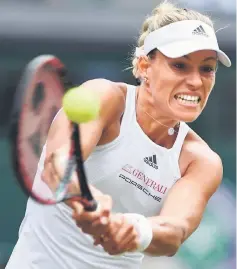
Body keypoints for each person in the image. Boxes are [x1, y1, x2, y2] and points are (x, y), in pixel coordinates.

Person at [6, 2, 231, 269]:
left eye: (207, 68)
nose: (196, 81)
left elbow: (175, 231)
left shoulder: (202, 161)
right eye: (180, 66)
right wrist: (86, 195)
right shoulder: (104, 98)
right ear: (144, 66)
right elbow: (60, 161)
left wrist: (136, 230)